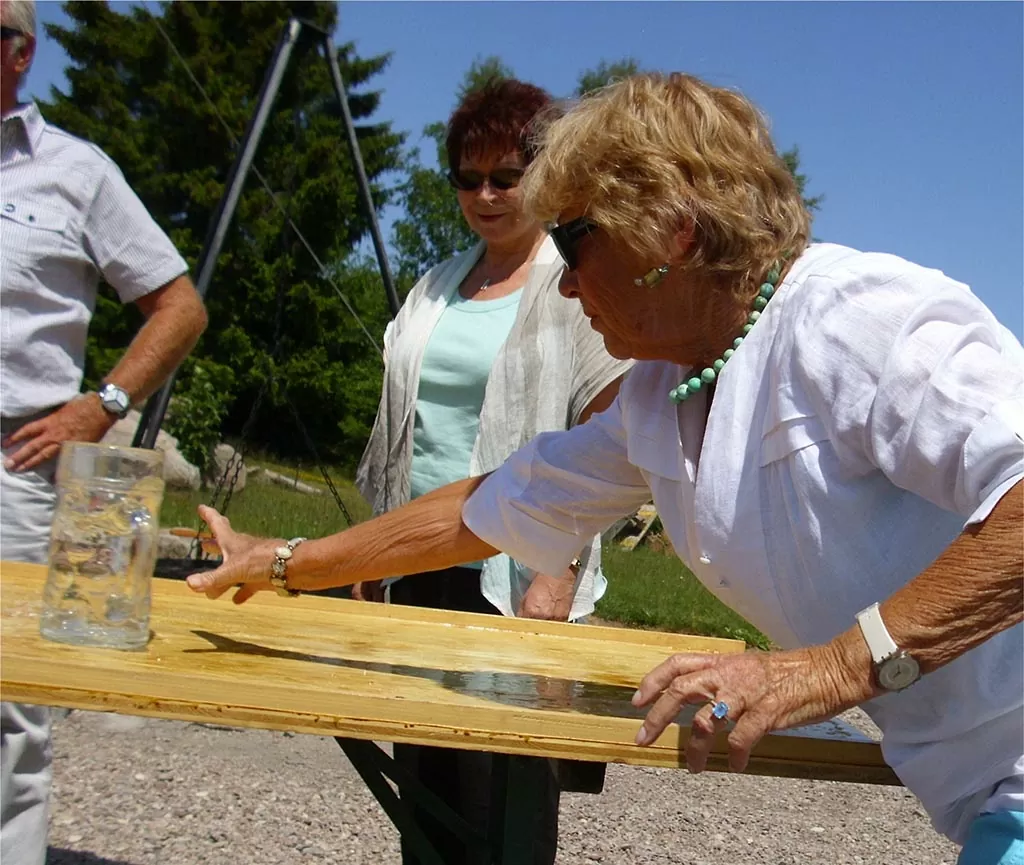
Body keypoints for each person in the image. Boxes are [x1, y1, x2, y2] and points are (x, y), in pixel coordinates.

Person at [187, 72, 1023, 864]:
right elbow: (487, 508)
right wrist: (288, 561)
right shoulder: (664, 391)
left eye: (571, 240)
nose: (560, 285)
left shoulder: (854, 317)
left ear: (671, 231)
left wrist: (828, 667)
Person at [351, 77, 632, 865]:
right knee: (426, 780)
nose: (484, 193)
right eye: (468, 177)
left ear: (541, 177)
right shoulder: (435, 286)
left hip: (517, 574)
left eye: (504, 176)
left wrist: (559, 570)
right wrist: (374, 550)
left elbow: (606, 432)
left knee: (503, 790)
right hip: (422, 557)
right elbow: (397, 430)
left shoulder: (574, 285)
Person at [0, 2, 208, 863]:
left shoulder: (75, 173)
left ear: (20, 52)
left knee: (8, 702)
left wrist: (106, 403)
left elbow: (179, 305)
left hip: (14, 461)